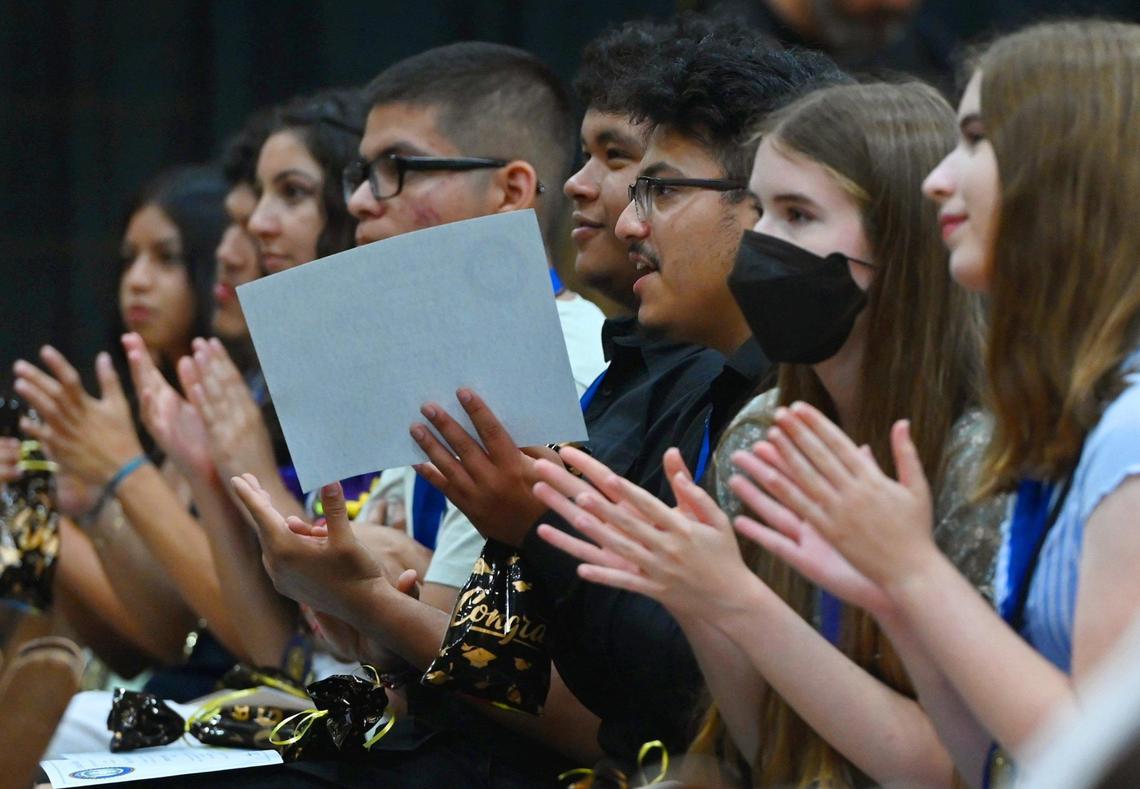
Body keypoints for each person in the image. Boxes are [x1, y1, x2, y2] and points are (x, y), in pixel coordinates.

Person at [243, 30, 845, 772]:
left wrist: (393, 594)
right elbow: (515, 657)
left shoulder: (613, 365)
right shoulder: (658, 378)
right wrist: (376, 608)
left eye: (643, 178)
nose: (616, 209)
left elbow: (629, 718)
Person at [533, 80, 1007, 786]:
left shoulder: (980, 457)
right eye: (758, 211)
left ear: (903, 242)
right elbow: (768, 746)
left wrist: (735, 599)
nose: (760, 244)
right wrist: (699, 600)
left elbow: (949, 769)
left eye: (798, 214)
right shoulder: (758, 433)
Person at [725, 19, 1140, 786]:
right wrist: (894, 592)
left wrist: (913, 572)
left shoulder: (1129, 434)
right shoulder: (1078, 421)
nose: (937, 180)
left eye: (977, 139)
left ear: (1071, 170)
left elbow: (1102, 760)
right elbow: (992, 764)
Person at [15, 165, 238, 698]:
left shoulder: (237, 415)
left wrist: (37, 512)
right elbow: (123, 648)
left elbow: (169, 636)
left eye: (166, 258)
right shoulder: (145, 414)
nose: (136, 280)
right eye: (129, 260)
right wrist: (47, 515)